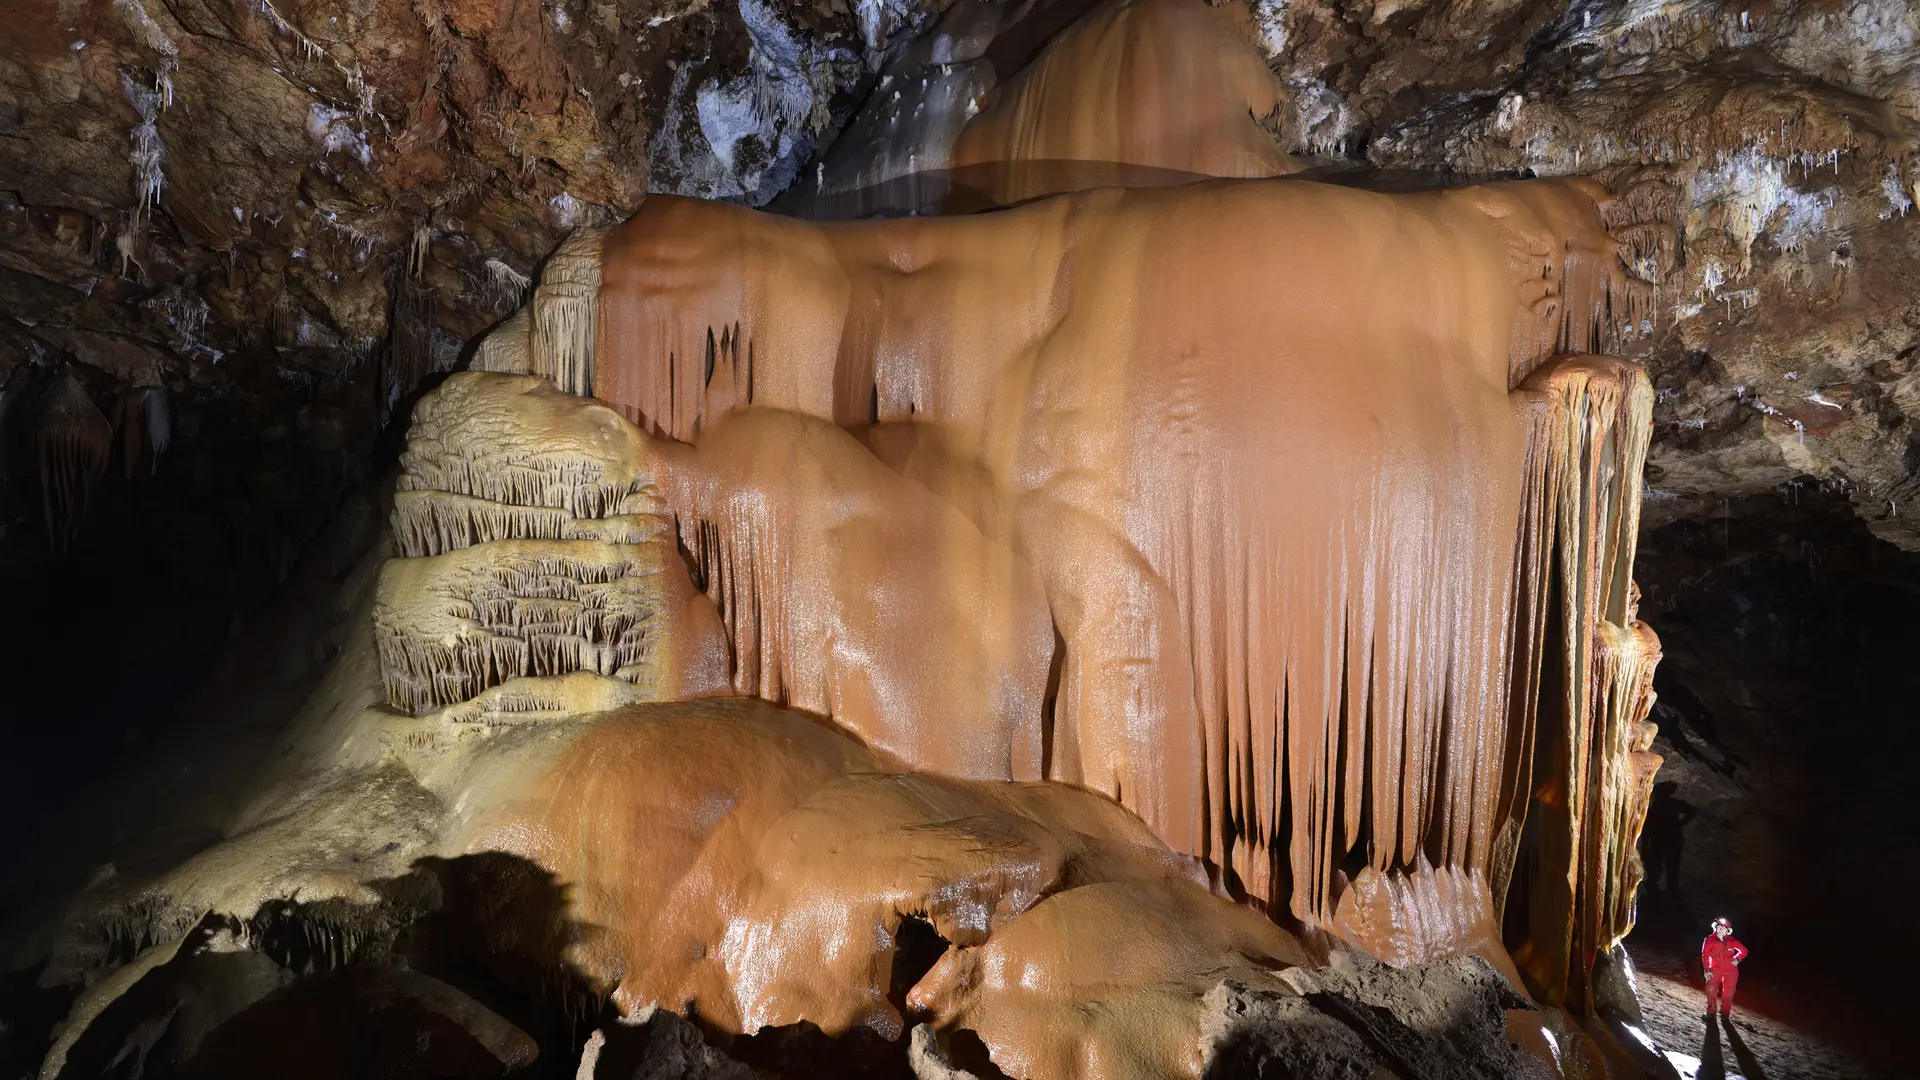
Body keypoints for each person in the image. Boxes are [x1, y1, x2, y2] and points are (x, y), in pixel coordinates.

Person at [1701, 917, 1748, 1018]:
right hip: (1715, 969)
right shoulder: (1709, 940)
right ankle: (1711, 1012)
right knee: (1711, 989)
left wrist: (1737, 959)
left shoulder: (1732, 941)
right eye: (1719, 927)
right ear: (1715, 928)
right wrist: (1707, 969)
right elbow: (1705, 955)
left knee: (1728, 993)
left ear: (1728, 931)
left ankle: (1725, 1013)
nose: (1721, 929)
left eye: (1723, 927)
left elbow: (1744, 951)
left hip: (1731, 971)